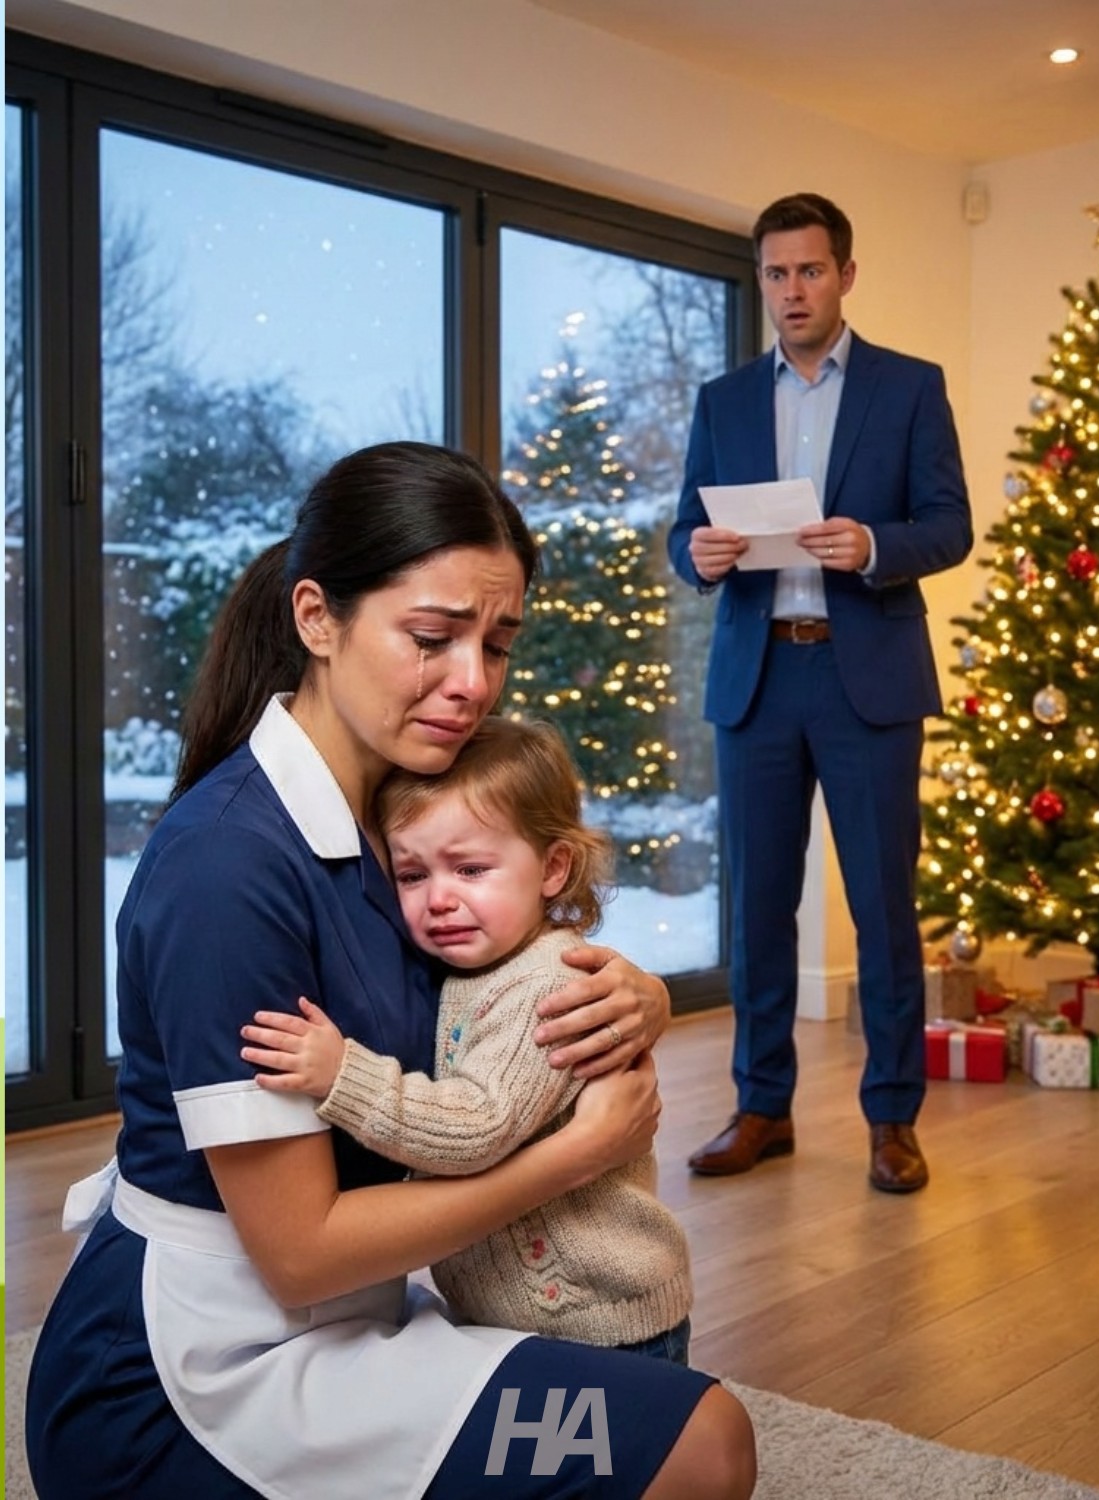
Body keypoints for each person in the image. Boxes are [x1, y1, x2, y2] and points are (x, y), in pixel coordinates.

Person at [26, 442, 756, 1500]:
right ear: (316, 619)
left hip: (353, 1316)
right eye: (431, 637)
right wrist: (579, 1153)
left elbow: (498, 964)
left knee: (677, 1422)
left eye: (496, 644)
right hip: (200, 1376)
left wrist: (626, 992)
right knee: (702, 1444)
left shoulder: (403, 819)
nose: (474, 683)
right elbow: (302, 1253)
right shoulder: (228, 869)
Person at [667, 192, 972, 1193]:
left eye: (809, 270)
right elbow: (682, 533)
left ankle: (893, 1119)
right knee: (757, 909)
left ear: (845, 274)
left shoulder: (910, 387)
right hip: (757, 680)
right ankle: (762, 1108)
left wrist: (874, 544)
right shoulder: (722, 400)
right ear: (761, 281)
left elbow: (950, 524)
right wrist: (699, 555)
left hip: (866, 675)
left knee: (884, 908)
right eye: (775, 273)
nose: (792, 290)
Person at [239, 714, 694, 1364]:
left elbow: (478, 1127)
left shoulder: (547, 986)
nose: (439, 899)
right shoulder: (468, 968)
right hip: (516, 1317)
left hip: (599, 1323)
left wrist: (344, 1076)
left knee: (587, 1434)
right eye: (413, 875)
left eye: (471, 869)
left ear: (553, 868)